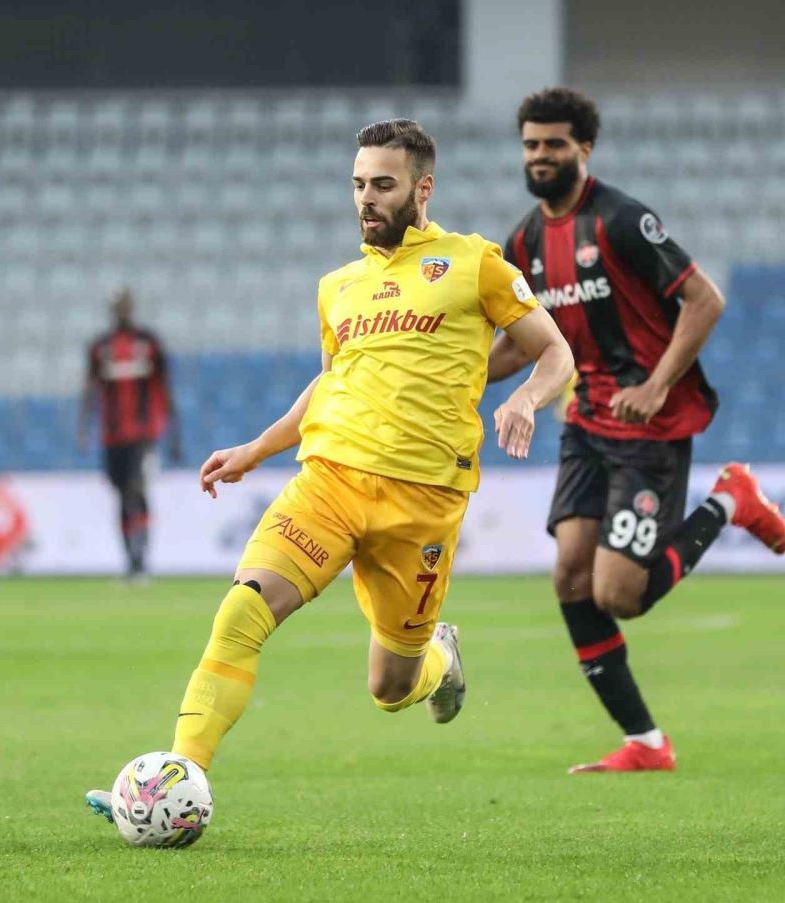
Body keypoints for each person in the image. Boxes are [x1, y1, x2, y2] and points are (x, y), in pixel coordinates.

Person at [86, 119, 573, 821]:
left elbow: (553, 350)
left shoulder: (475, 265)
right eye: (358, 184)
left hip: (423, 503)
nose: (366, 198)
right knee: (243, 610)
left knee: (390, 686)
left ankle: (439, 661)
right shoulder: (338, 287)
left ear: (423, 189)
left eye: (383, 184)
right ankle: (177, 777)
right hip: (331, 481)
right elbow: (331, 382)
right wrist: (257, 448)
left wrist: (525, 399)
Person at [488, 87, 785, 774]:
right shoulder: (523, 243)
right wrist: (457, 375)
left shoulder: (621, 221)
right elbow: (524, 342)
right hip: (586, 421)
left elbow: (704, 299)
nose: (540, 156)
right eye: (531, 145)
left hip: (650, 426)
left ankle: (732, 500)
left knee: (619, 595)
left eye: (554, 144)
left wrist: (655, 386)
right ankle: (647, 743)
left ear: (584, 149)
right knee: (570, 577)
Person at [79, 289, 181, 580]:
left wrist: (174, 433)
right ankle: (130, 559)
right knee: (122, 493)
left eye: (125, 306)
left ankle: (140, 557)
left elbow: (165, 387)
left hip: (144, 433)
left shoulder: (148, 343)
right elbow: (89, 389)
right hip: (112, 436)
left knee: (136, 488)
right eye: (117, 307)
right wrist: (84, 429)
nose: (121, 311)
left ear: (131, 308)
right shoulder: (100, 347)